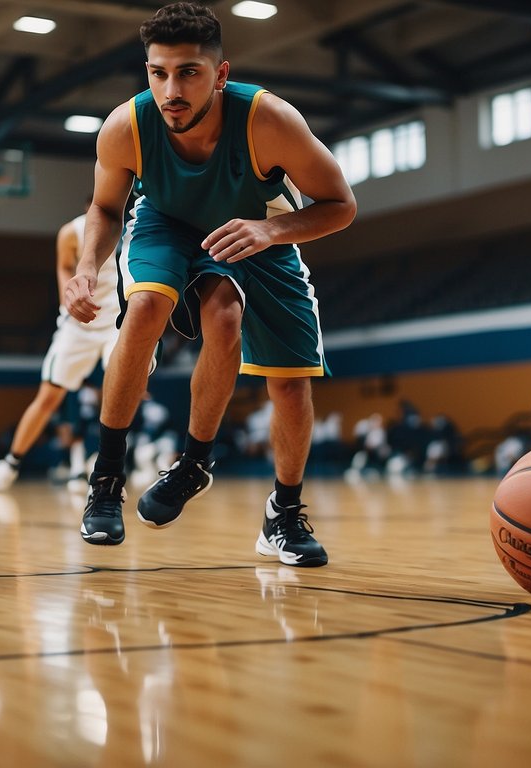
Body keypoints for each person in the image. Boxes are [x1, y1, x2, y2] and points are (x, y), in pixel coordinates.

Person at [62, 3, 356, 565]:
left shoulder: (269, 120)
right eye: (159, 73)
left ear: (220, 74)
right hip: (165, 224)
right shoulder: (126, 126)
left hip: (254, 231)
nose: (172, 89)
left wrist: (271, 229)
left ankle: (274, 509)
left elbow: (340, 205)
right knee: (147, 305)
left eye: (189, 72)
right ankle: (106, 481)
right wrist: (85, 270)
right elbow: (104, 207)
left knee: (282, 376)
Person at [0, 205, 124, 493]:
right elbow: (63, 267)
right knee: (48, 397)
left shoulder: (132, 229)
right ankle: (11, 463)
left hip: (116, 320)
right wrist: (67, 302)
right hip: (78, 325)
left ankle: (108, 464)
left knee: (122, 387)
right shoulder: (70, 232)